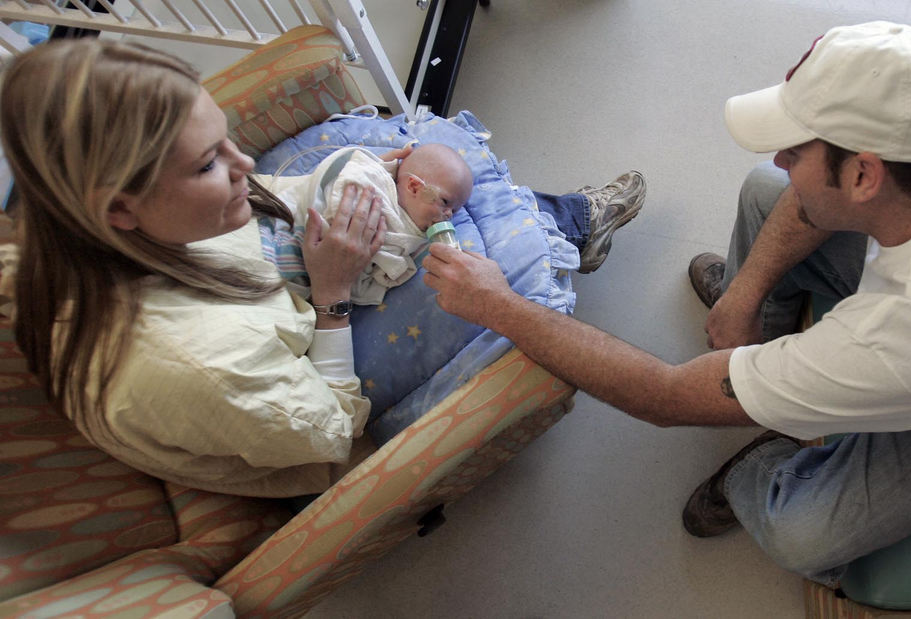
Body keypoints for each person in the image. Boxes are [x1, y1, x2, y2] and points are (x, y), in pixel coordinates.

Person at [422, 21, 911, 586]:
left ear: (864, 174)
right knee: (766, 192)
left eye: (798, 147)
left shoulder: (906, 339)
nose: (785, 158)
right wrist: (747, 294)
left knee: (801, 533)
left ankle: (769, 451)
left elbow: (665, 396)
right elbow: (801, 194)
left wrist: (500, 304)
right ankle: (769, 352)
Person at [0, 38, 645, 498]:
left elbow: (258, 200)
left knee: (404, 166)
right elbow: (331, 433)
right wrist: (334, 292)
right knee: (474, 269)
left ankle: (558, 219)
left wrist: (356, 185)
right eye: (207, 165)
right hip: (314, 410)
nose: (244, 164)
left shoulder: (66, 228)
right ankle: (570, 227)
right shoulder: (200, 364)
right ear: (121, 210)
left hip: (281, 277)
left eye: (227, 139)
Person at [261, 142, 475, 304]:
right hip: (286, 236)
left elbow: (376, 276)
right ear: (414, 187)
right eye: (445, 202)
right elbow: (342, 193)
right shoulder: (373, 182)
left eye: (455, 210)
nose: (448, 215)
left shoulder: (412, 236)